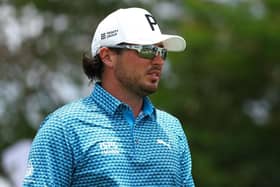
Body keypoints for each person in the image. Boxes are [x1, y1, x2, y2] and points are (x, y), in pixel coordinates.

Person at [23, 7, 195, 186]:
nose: (158, 61)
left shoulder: (172, 128)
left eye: (161, 52)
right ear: (108, 56)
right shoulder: (63, 127)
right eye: (147, 50)